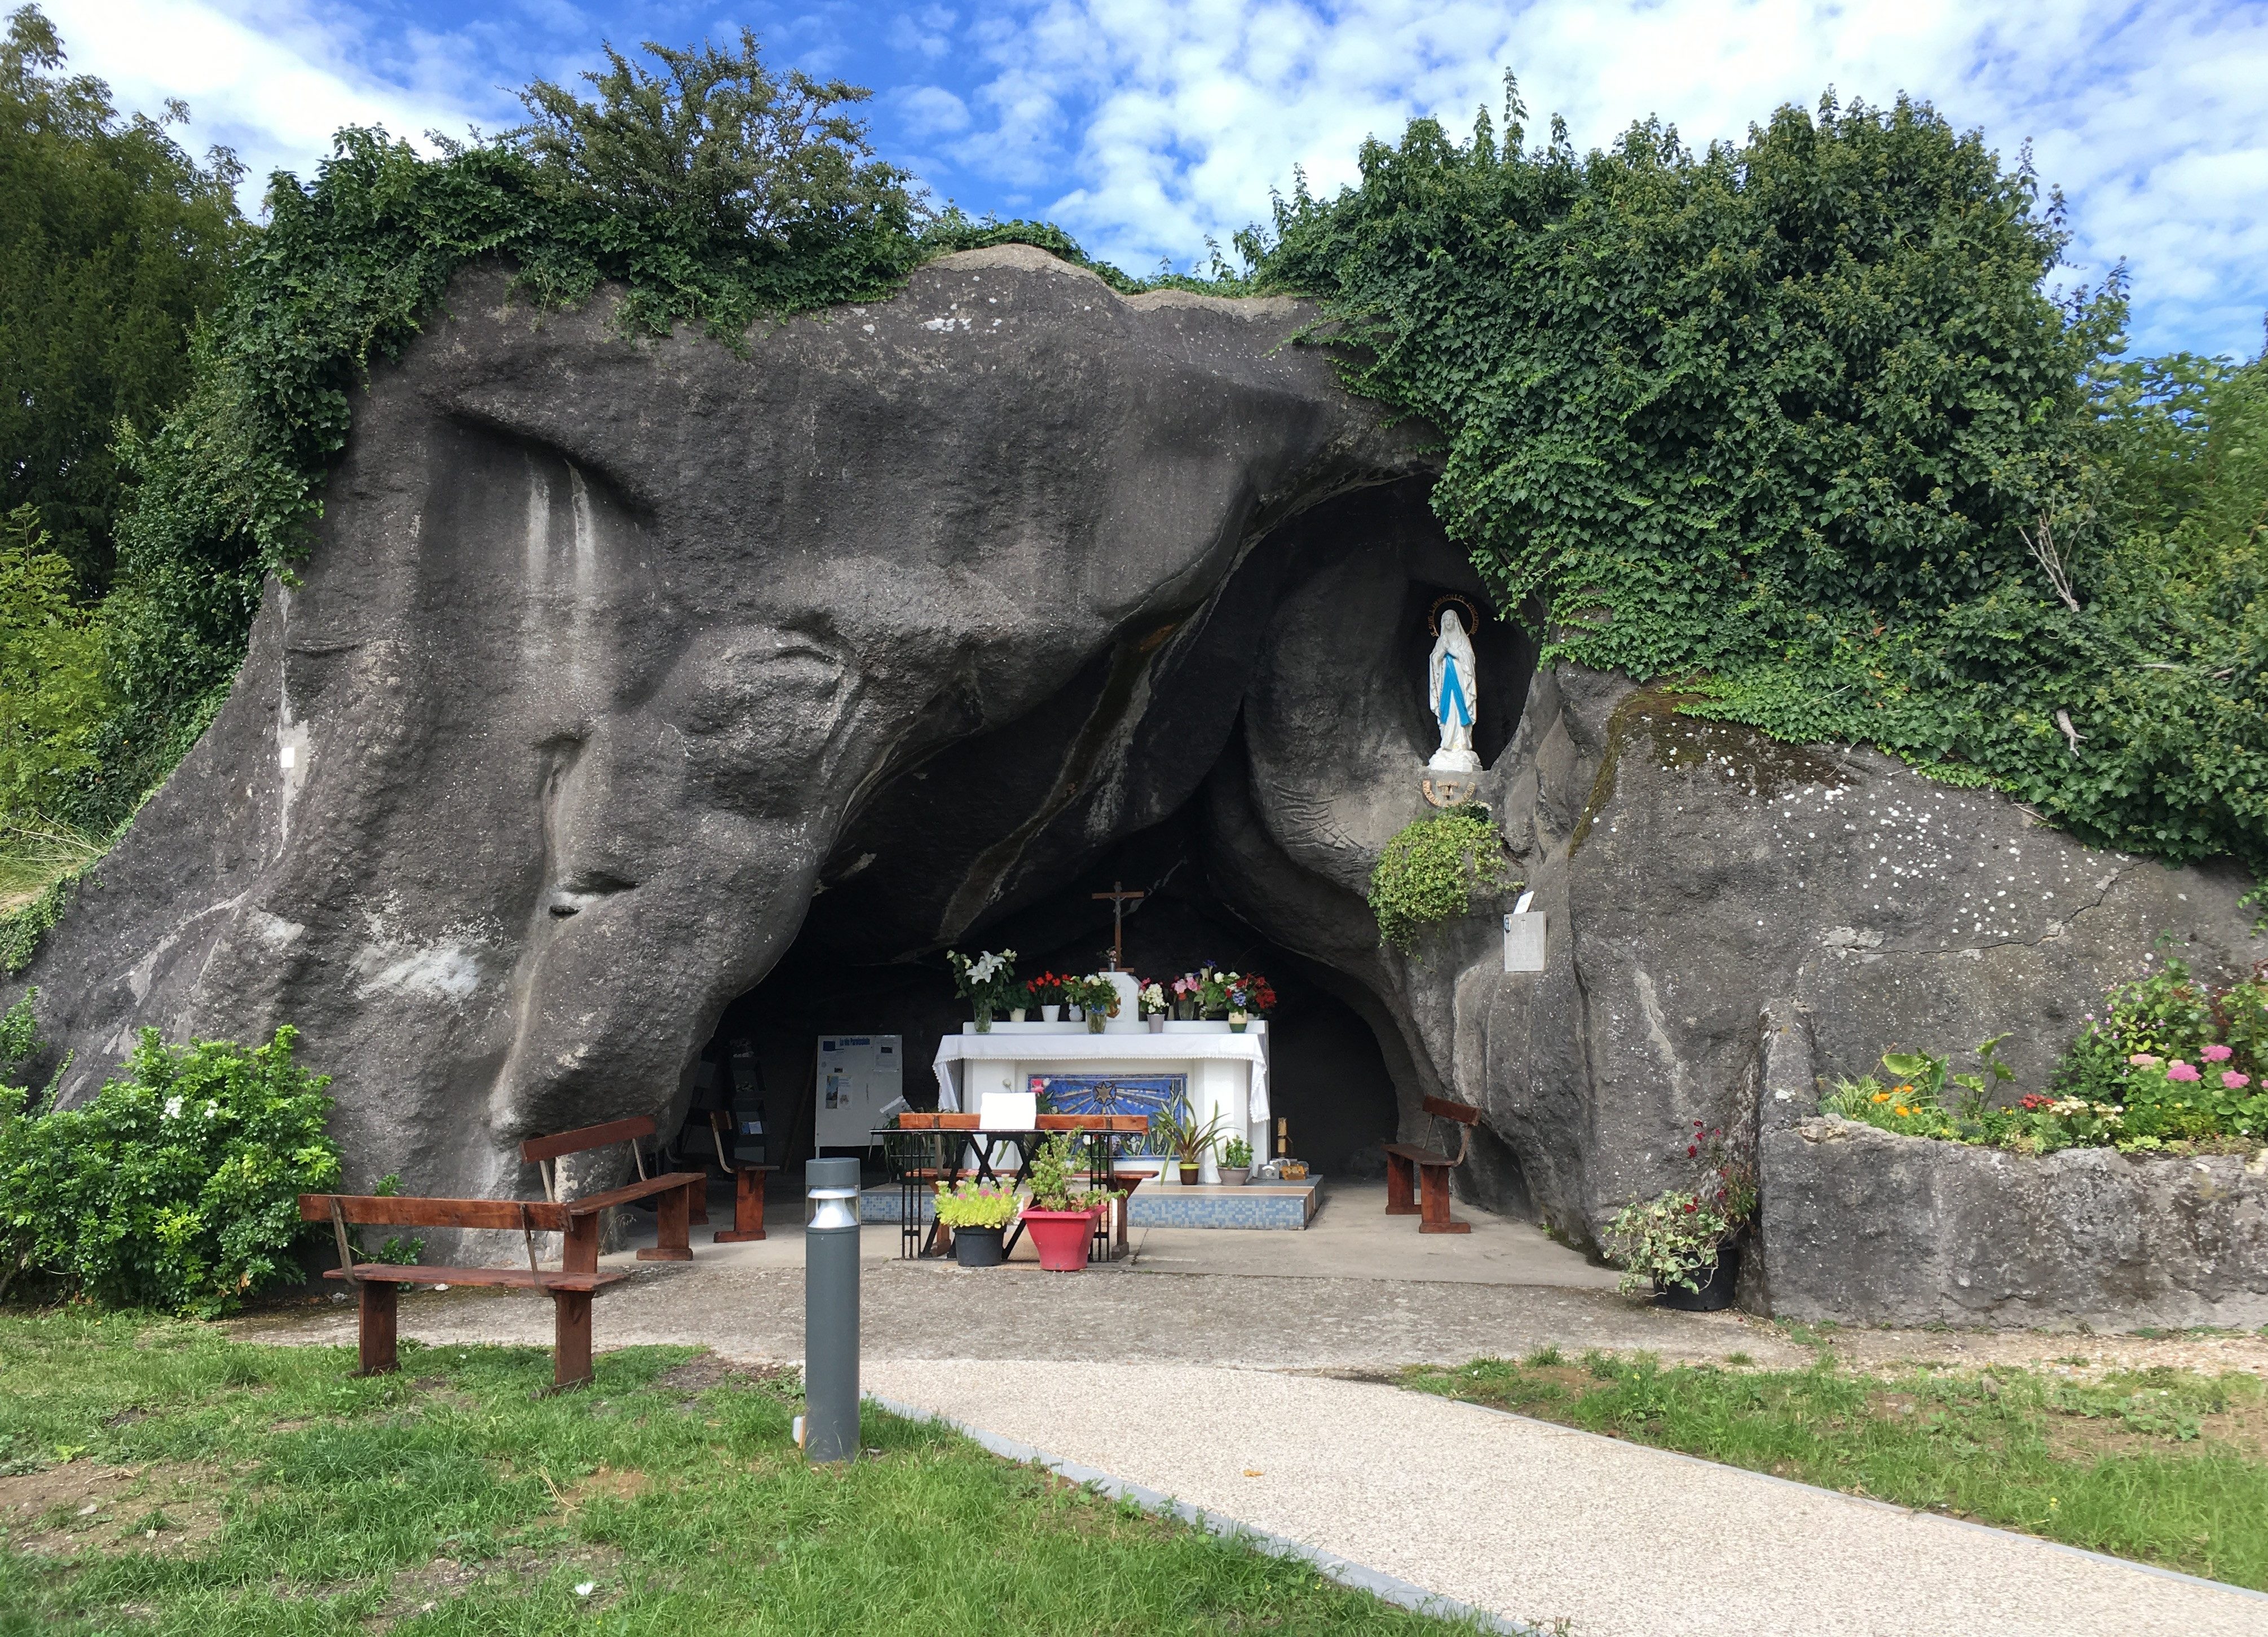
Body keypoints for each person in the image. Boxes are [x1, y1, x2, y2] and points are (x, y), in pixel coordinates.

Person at [1427, 608, 1480, 771]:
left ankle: (1461, 744)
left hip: (1461, 683)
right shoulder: (1441, 641)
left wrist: (1453, 651)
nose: (1449, 623)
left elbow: (1470, 658)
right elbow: (1434, 660)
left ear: (1456, 622)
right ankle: (1447, 744)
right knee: (1447, 711)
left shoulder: (1463, 640)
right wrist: (1440, 654)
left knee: (1459, 708)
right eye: (1446, 621)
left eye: (1451, 620)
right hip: (1445, 684)